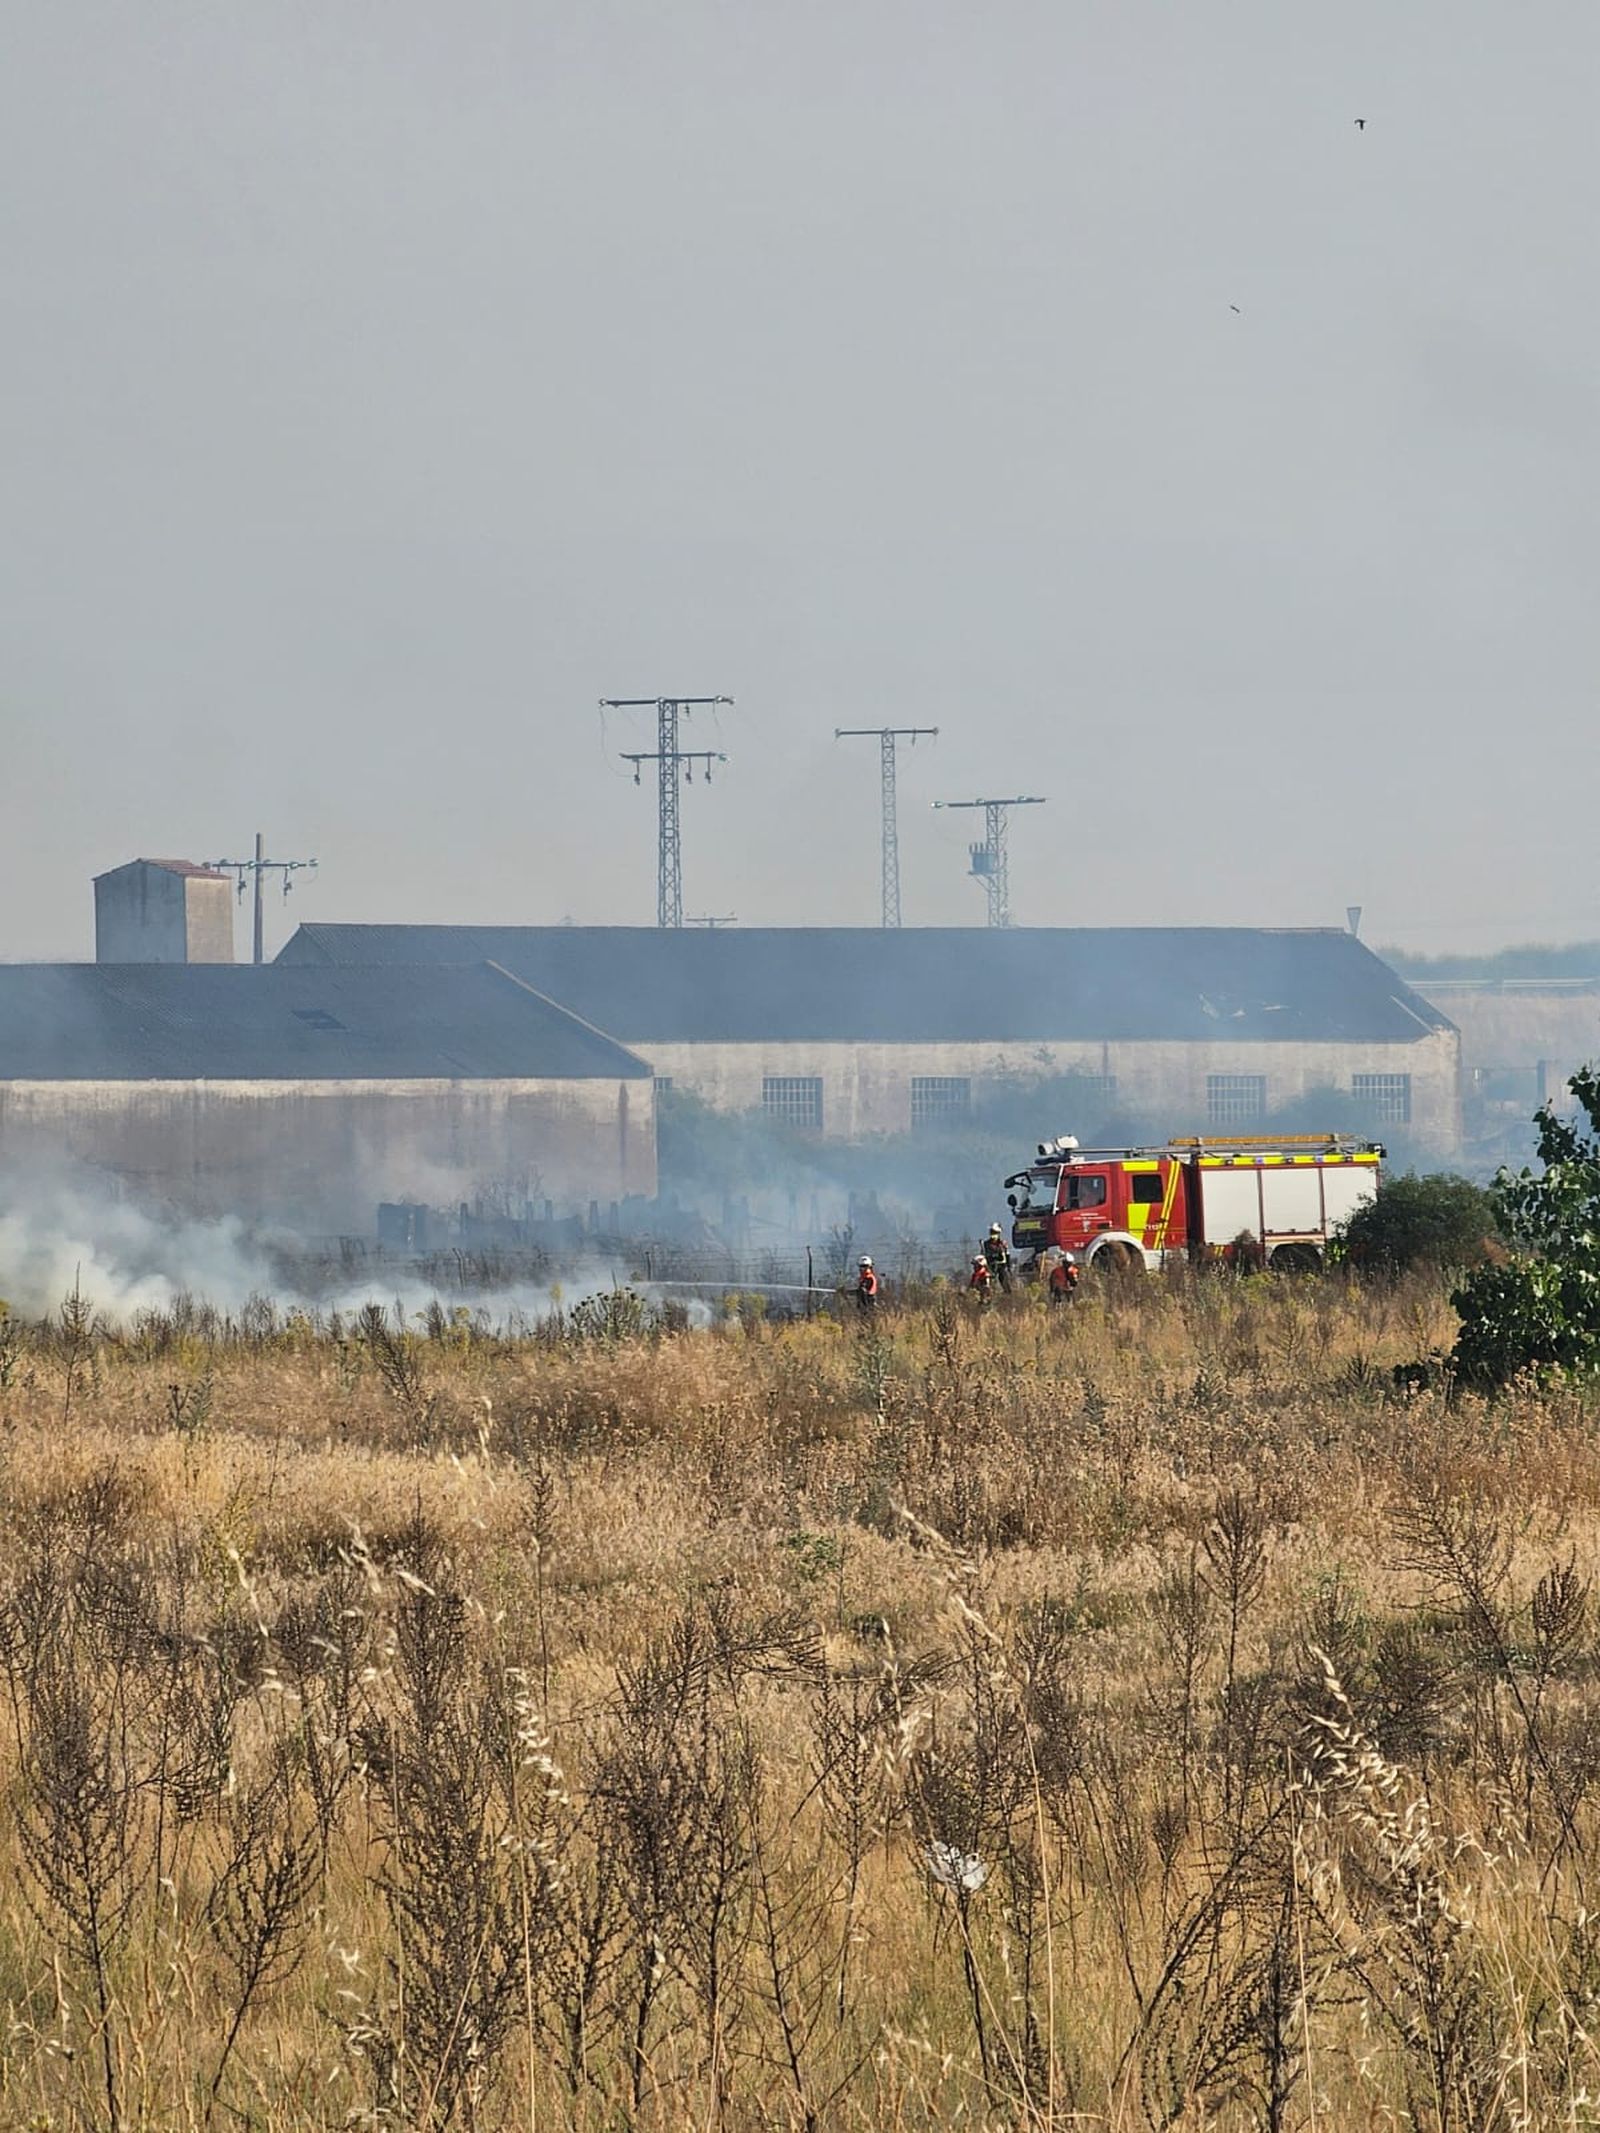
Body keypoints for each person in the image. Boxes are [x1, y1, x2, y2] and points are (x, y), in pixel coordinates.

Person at [983, 1222, 1013, 1293]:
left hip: (1001, 1266)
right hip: (990, 1266)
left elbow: (1007, 1256)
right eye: (992, 1232)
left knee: (1003, 1278)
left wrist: (1008, 1267)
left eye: (995, 1232)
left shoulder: (1002, 1244)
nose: (993, 1234)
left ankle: (1007, 1293)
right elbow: (985, 1254)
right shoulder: (986, 1244)